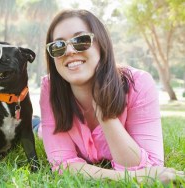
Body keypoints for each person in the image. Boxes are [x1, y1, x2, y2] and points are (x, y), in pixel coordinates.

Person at [39, 9, 184, 183]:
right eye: (58, 46)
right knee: (38, 129)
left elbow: (151, 165)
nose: (69, 50)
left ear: (101, 45)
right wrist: (136, 178)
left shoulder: (139, 84)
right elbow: (63, 164)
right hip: (41, 128)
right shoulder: (49, 88)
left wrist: (105, 115)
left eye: (81, 40)